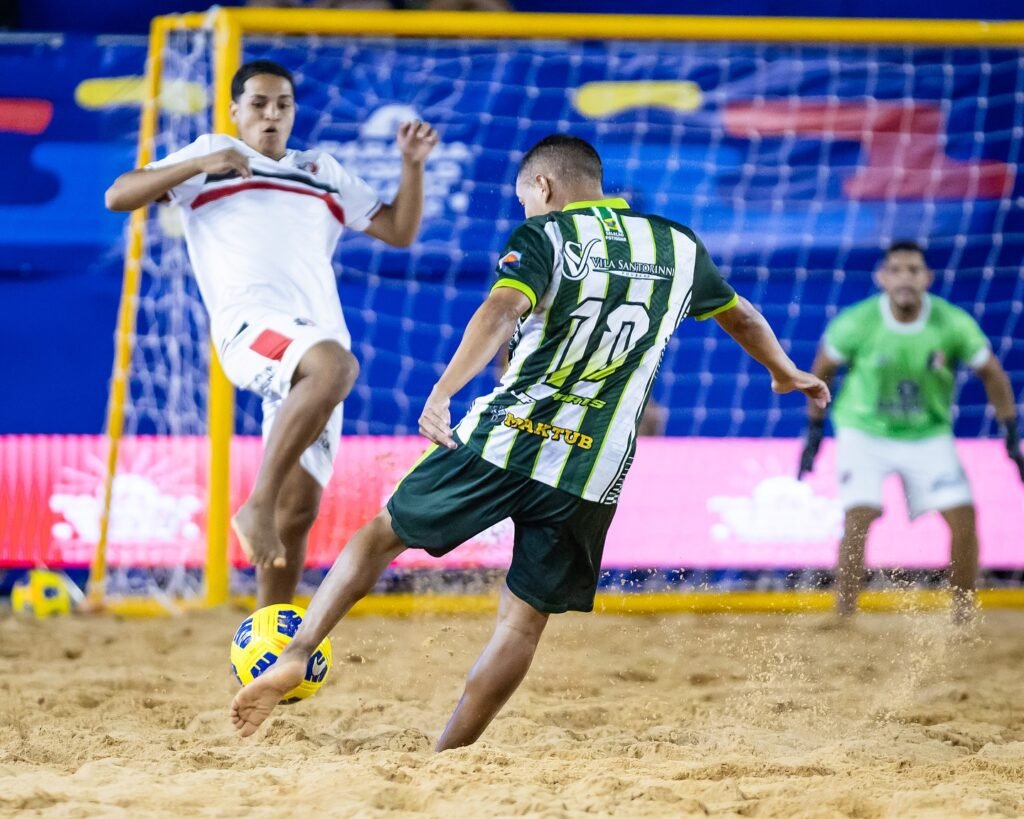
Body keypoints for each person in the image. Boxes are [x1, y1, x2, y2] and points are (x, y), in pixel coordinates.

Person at [230, 134, 830, 749]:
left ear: (542, 187)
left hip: (507, 437)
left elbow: (499, 311)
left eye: (523, 199)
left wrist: (441, 393)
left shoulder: (544, 238)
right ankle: (448, 756)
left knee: (378, 537)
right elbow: (743, 317)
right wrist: (784, 370)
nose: (524, 211)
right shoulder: (678, 245)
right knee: (522, 625)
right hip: (593, 470)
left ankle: (299, 652)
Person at [105, 60, 438, 606]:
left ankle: (266, 643)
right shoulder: (211, 154)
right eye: (258, 103)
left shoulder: (321, 169)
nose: (271, 114)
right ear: (236, 111)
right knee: (336, 369)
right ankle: (255, 502)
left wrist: (412, 166)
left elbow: (398, 231)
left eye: (282, 103)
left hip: (315, 338)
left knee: (300, 509)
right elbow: (119, 196)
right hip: (252, 328)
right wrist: (204, 160)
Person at [798, 240, 1023, 623]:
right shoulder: (857, 321)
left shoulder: (952, 323)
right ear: (882, 278)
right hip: (864, 428)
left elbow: (993, 373)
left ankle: (963, 615)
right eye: (897, 270)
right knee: (860, 512)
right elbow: (822, 369)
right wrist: (815, 430)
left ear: (927, 278)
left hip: (927, 432)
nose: (906, 278)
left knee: (963, 516)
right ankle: (843, 614)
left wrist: (1010, 433)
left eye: (914, 270)